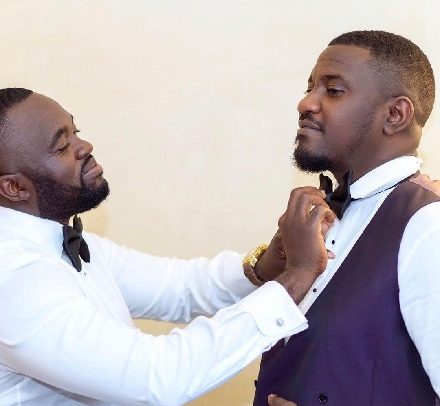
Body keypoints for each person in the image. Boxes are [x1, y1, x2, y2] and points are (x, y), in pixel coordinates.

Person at [0, 88, 335, 405]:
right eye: (62, 146)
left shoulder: (66, 241)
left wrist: (264, 267)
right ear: (14, 187)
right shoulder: (14, 278)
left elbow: (180, 288)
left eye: (76, 131)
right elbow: (156, 377)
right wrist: (297, 277)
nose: (84, 146)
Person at [253, 30, 440, 405]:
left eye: (333, 90)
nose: (306, 103)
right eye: (310, 87)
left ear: (395, 115)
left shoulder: (427, 227)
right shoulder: (323, 214)